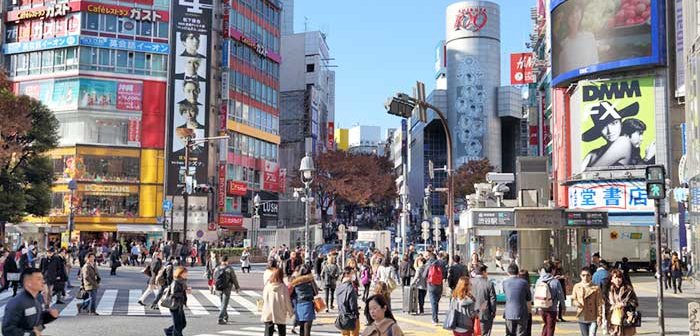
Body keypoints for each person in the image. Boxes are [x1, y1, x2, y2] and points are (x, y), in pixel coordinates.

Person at [1, 268, 59, 336]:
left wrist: (50, 316)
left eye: (42, 279)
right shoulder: (17, 302)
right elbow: (8, 330)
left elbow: (37, 321)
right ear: (28, 283)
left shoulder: (39, 298)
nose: (43, 281)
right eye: (38, 279)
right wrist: (30, 334)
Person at [536, 262, 566, 336]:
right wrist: (563, 307)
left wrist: (536, 308)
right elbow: (560, 295)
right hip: (552, 309)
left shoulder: (539, 280)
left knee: (546, 325)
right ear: (553, 270)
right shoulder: (555, 282)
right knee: (550, 328)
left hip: (541, 308)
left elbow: (535, 293)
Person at [261, 267, 293, 336]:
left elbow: (264, 298)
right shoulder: (283, 287)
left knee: (268, 332)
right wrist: (291, 312)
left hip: (268, 311)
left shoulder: (267, 286)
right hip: (280, 311)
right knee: (281, 331)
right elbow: (287, 301)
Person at [572, 267, 603, 336]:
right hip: (582, 315)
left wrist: (599, 316)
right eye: (583, 275)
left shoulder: (596, 288)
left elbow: (599, 303)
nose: (585, 277)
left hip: (593, 317)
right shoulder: (577, 286)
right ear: (580, 276)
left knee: (592, 334)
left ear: (591, 276)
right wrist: (576, 303)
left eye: (588, 275)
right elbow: (573, 299)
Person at [503, 263, 532, 336]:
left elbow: (506, 293)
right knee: (521, 334)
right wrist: (529, 312)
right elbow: (528, 299)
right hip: (522, 312)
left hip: (509, 313)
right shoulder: (524, 283)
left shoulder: (505, 283)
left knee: (510, 334)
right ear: (518, 272)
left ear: (508, 272)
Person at [290, 264, 318, 336]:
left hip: (299, 304)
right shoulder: (310, 280)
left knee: (301, 327)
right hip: (308, 303)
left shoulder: (295, 281)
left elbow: (291, 293)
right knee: (307, 328)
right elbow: (316, 292)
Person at [608, 269, 638, 336]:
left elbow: (635, 303)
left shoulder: (628, 289)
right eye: (615, 277)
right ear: (611, 279)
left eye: (619, 277)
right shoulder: (609, 291)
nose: (618, 280)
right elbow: (606, 305)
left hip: (626, 318)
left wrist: (624, 304)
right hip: (613, 319)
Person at [471, 264, 497, 336]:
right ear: (483, 272)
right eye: (486, 271)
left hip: (471, 312)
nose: (487, 273)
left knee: (472, 332)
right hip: (485, 312)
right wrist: (493, 311)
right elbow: (493, 299)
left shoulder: (470, 282)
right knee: (485, 333)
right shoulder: (489, 283)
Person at [214, 256, 241, 325]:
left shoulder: (217, 268)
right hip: (227, 288)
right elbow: (234, 278)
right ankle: (220, 319)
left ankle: (225, 317)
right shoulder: (229, 269)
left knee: (222, 303)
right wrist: (237, 287)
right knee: (224, 304)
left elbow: (214, 278)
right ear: (227, 261)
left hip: (219, 288)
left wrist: (214, 287)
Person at [165, 266, 189, 336]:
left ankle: (169, 331)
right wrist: (184, 292)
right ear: (180, 273)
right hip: (174, 306)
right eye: (185, 273)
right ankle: (171, 332)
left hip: (179, 305)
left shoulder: (182, 281)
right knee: (178, 326)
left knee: (183, 324)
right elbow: (174, 294)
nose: (187, 274)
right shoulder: (175, 282)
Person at [336, 267, 360, 336]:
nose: (354, 275)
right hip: (351, 316)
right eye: (352, 273)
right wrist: (356, 315)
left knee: (345, 334)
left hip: (342, 315)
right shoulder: (350, 288)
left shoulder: (339, 286)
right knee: (354, 334)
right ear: (347, 275)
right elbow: (353, 304)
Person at [423, 252, 444, 325]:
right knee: (436, 302)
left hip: (431, 285)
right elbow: (444, 274)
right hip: (439, 285)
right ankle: (435, 316)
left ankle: (435, 319)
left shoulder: (428, 264)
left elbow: (424, 275)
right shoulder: (441, 263)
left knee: (433, 303)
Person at [518, 270, 533, 336]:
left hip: (518, 310)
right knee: (527, 330)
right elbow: (531, 300)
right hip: (527, 310)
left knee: (519, 330)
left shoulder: (517, 286)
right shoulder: (530, 286)